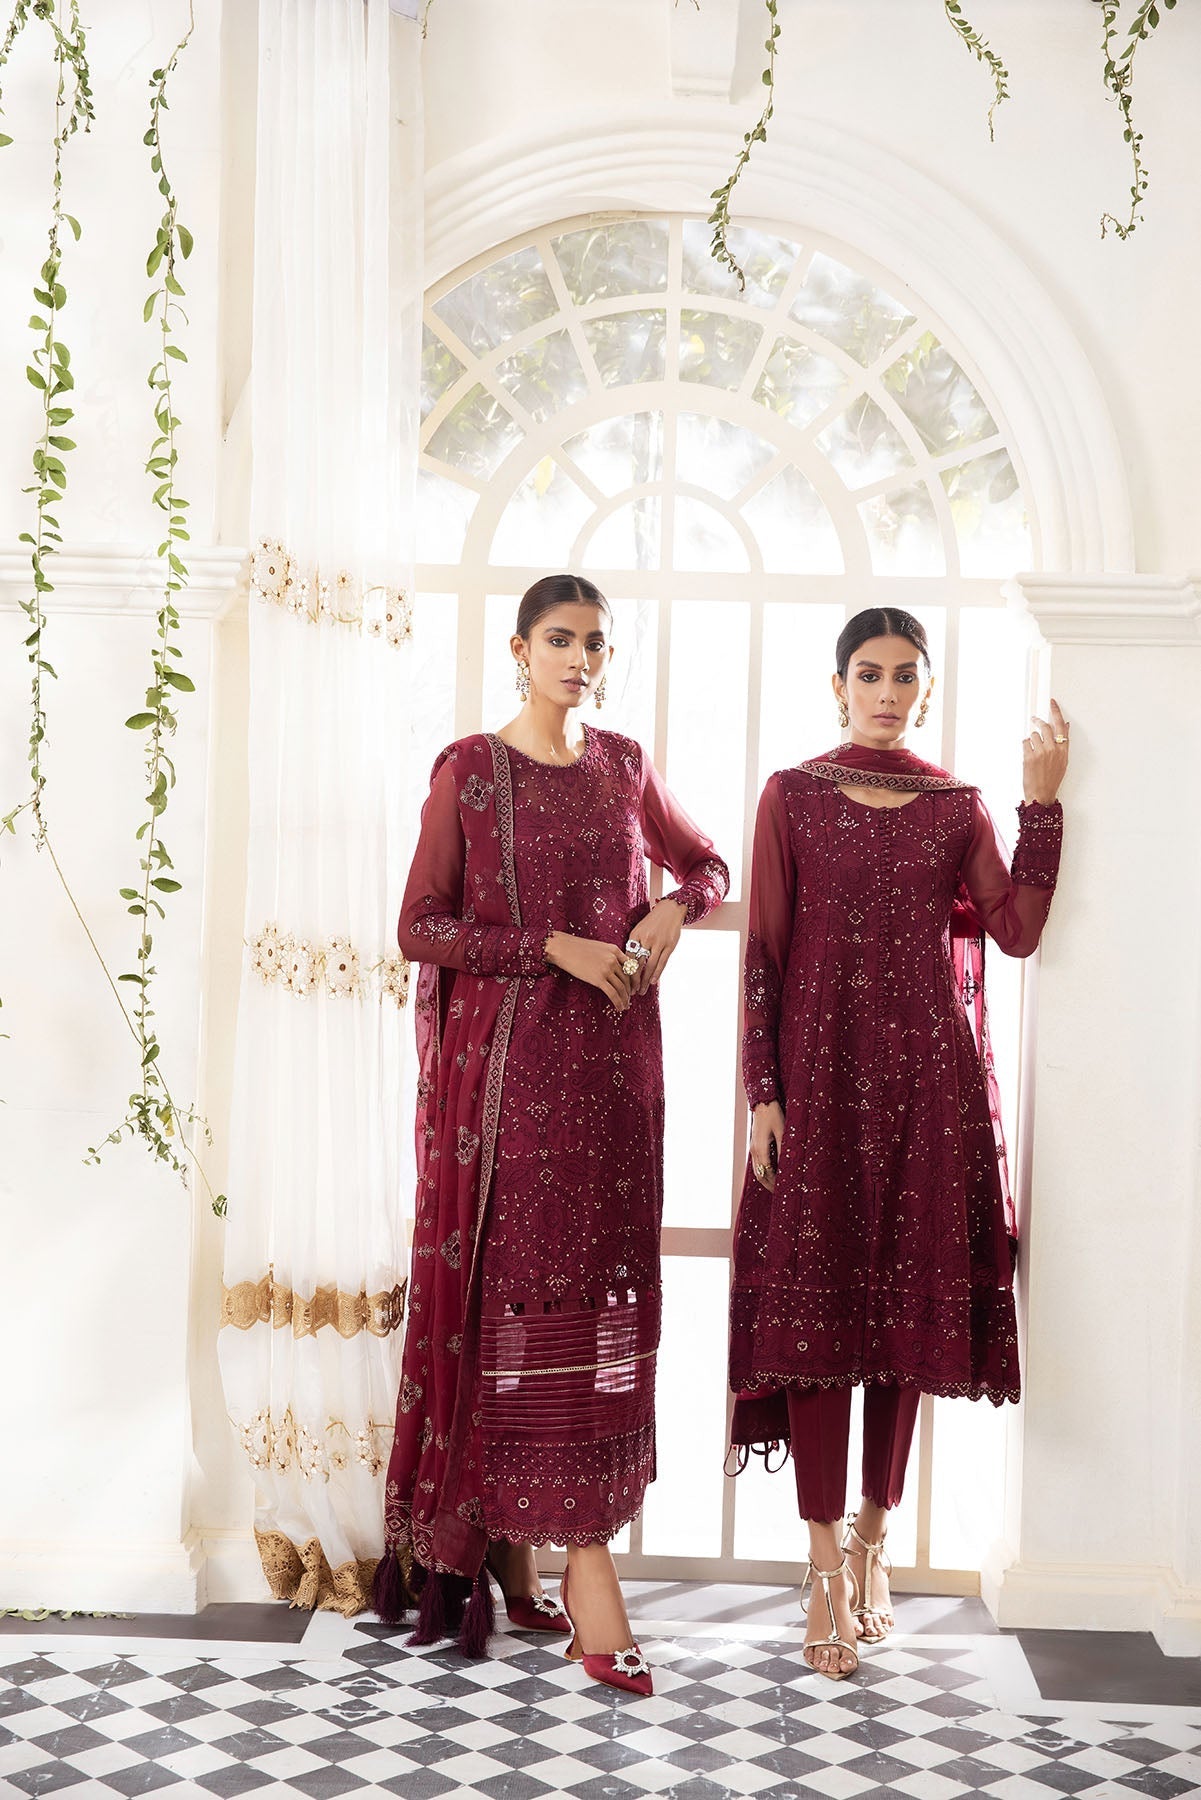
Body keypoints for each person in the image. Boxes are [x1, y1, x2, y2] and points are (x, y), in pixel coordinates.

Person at [374, 573, 728, 1696]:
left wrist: (671, 906)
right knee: (520, 1307)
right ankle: (586, 1577)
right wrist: (553, 948)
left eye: (596, 644)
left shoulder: (623, 765)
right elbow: (419, 926)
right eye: (561, 640)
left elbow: (706, 863)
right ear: (519, 648)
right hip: (509, 1097)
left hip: (615, 1091)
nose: (580, 659)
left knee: (593, 1310)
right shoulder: (471, 771)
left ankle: (520, 1555)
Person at [728, 605, 1068, 1680]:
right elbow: (764, 952)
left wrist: (1040, 806)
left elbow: (1014, 931)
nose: (885, 692)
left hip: (929, 1091)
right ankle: (823, 1564)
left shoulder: (954, 807)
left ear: (925, 687)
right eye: (867, 674)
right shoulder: (791, 796)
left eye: (903, 676)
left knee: (901, 1325)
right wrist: (762, 1092)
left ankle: (874, 1541)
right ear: (837, 686)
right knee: (817, 1327)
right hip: (818, 1087)